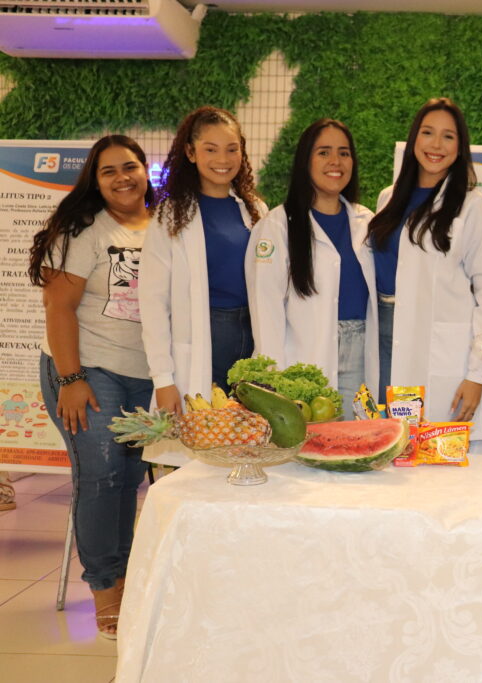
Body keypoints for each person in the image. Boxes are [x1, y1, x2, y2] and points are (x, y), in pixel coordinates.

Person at [27, 135, 155, 639]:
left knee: (128, 479)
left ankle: (124, 581)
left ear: (146, 171)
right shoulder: (84, 229)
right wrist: (72, 378)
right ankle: (106, 594)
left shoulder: (166, 226)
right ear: (95, 181)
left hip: (145, 374)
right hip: (88, 369)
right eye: (109, 171)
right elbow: (58, 307)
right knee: (101, 476)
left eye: (130, 167)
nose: (122, 178)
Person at [366, 97, 482, 444]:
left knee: (432, 448)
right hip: (383, 335)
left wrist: (477, 374)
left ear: (460, 148)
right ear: (414, 138)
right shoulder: (388, 199)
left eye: (448, 136)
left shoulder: (471, 207)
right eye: (427, 132)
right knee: (389, 442)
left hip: (437, 345)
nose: (436, 145)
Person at [139, 106, 266, 426]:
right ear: (190, 153)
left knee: (247, 434)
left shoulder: (256, 210)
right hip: (205, 335)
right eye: (211, 149)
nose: (223, 159)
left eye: (232, 149)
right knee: (204, 433)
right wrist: (163, 379)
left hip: (252, 335)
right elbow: (153, 303)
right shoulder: (170, 216)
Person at [245, 119, 377, 407]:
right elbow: (266, 311)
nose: (335, 161)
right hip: (303, 364)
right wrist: (273, 381)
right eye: (323, 152)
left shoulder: (366, 222)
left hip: (361, 359)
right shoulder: (277, 226)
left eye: (344, 153)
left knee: (357, 434)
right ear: (305, 161)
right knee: (309, 435)